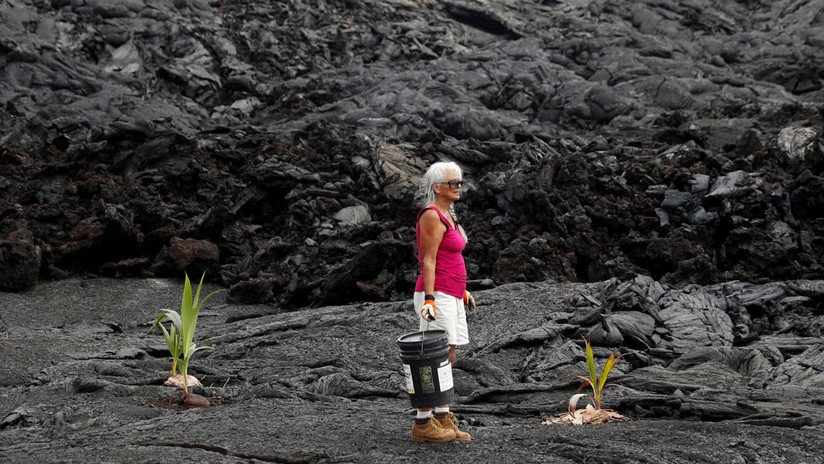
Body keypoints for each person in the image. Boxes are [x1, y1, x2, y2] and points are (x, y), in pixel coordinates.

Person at [409, 161, 477, 443]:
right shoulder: (431, 215)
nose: (458, 187)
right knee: (432, 356)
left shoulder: (449, 214)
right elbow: (428, 259)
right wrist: (430, 298)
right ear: (437, 187)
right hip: (436, 295)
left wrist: (462, 289)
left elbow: (451, 258)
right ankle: (423, 424)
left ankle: (442, 417)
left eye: (460, 182)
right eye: (453, 183)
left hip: (451, 292)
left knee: (448, 355)